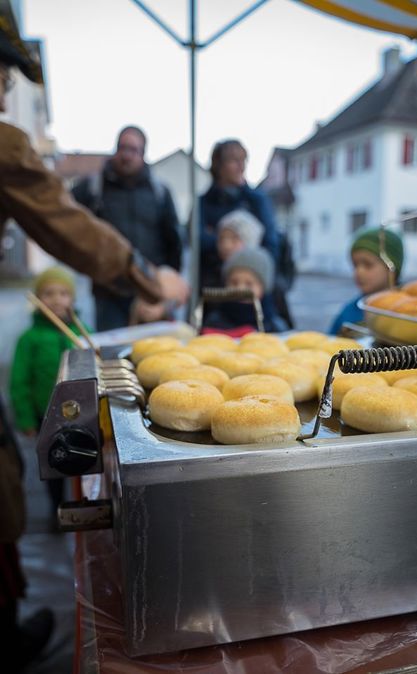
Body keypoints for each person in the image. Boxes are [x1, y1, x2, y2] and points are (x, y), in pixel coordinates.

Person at [0, 13, 187, 672]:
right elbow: (71, 225)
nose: (1, 93)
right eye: (0, 75)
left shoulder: (156, 190)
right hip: (125, 286)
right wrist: (149, 278)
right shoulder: (7, 145)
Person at [72, 126, 183, 330]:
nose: (127, 155)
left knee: (155, 354)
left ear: (143, 154)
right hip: (109, 291)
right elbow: (69, 222)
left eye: (134, 150)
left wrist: (166, 286)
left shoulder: (159, 192)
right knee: (112, 354)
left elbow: (173, 241)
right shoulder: (93, 188)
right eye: (122, 148)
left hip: (150, 290)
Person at [9, 267, 88, 521]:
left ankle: (83, 505)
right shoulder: (29, 339)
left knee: (83, 462)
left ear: (73, 300)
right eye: (49, 293)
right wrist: (25, 419)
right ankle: (58, 508)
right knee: (54, 463)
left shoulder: (82, 332)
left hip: (81, 415)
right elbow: (19, 382)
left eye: (64, 293)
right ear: (38, 299)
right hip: (46, 416)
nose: (57, 299)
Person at [199, 139, 279, 288]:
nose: (241, 167)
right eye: (233, 160)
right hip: (214, 288)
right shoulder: (203, 203)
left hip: (252, 286)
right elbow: (198, 240)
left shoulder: (257, 201)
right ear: (218, 165)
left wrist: (220, 239)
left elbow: (270, 246)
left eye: (243, 160)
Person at [329, 226, 404, 335]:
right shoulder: (349, 311)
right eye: (355, 265)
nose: (359, 272)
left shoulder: (406, 312)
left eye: (368, 265)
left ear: (391, 268)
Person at [203, 248, 288, 335]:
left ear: (263, 288)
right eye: (234, 283)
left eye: (249, 284)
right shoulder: (213, 322)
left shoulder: (275, 326)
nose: (240, 289)